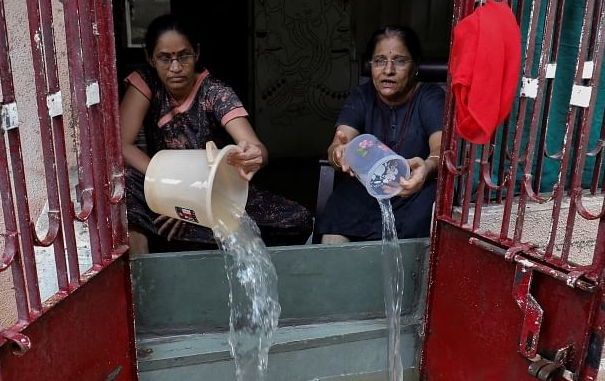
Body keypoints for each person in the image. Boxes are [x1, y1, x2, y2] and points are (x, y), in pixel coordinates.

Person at [120, 14, 312, 253]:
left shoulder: (215, 92)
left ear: (197, 53)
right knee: (126, 181)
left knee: (298, 220)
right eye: (165, 58)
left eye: (184, 56)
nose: (176, 67)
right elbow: (123, 144)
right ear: (150, 58)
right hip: (162, 190)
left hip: (212, 192)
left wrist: (254, 155)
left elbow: (254, 145)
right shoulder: (147, 82)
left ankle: (189, 228)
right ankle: (148, 264)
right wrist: (174, 193)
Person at [321, 25, 444, 242]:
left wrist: (426, 168)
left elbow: (440, 150)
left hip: (413, 190)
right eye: (379, 61)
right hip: (367, 189)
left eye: (399, 60)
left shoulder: (430, 97)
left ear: (415, 65)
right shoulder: (362, 96)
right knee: (337, 214)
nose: (388, 70)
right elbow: (337, 144)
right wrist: (339, 154)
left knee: (422, 220)